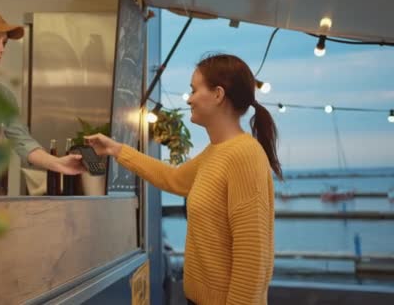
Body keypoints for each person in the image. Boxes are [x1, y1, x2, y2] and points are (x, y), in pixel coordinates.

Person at [86, 54, 281, 305]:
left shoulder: (245, 155)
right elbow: (174, 179)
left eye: (194, 89)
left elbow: (253, 258)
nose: (188, 98)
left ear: (218, 95)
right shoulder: (216, 152)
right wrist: (116, 149)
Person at [0, 9, 84, 178]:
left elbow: (22, 141)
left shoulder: (2, 95)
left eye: (4, 42)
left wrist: (58, 164)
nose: (1, 48)